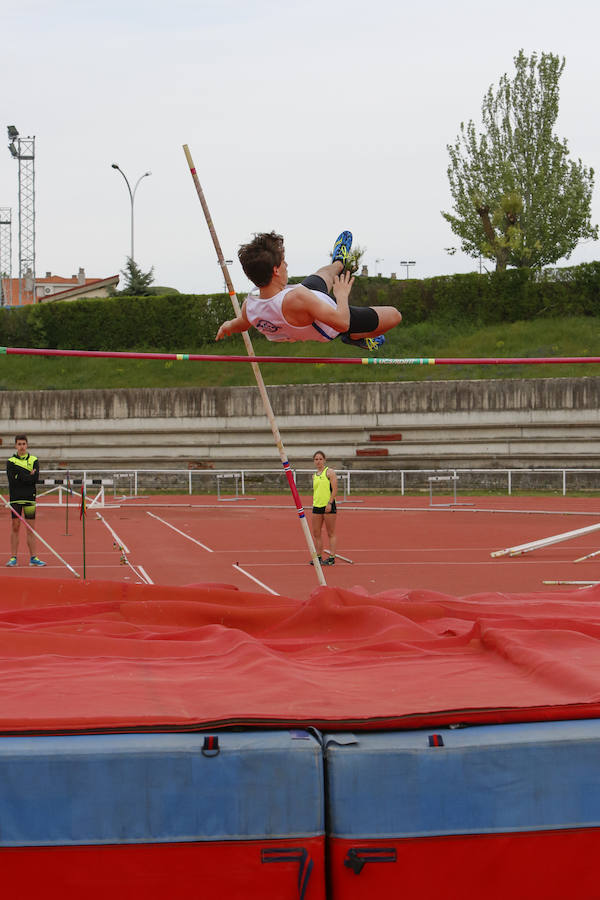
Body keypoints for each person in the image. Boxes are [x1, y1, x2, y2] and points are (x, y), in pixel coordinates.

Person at [215, 230, 402, 351]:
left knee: (325, 273)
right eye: (283, 261)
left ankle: (339, 261)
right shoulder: (298, 298)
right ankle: (355, 337)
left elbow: (240, 324)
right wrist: (342, 295)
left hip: (307, 300)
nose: (287, 264)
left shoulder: (250, 306)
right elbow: (342, 322)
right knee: (394, 316)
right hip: (332, 320)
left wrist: (227, 326)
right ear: (276, 270)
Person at [6, 434, 46, 567]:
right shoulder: (11, 461)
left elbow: (34, 480)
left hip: (29, 497)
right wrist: (27, 475)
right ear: (15, 445)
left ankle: (33, 558)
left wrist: (21, 476)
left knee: (30, 528)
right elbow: (12, 480)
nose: (22, 447)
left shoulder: (34, 460)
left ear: (27, 445)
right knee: (15, 526)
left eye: (24, 444)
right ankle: (13, 558)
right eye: (19, 444)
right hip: (16, 498)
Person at [310, 450, 338, 567]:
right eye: (316, 459)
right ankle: (319, 557)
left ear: (324, 460)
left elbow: (335, 489)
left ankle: (331, 557)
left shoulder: (329, 472)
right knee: (316, 533)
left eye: (320, 459)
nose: (318, 461)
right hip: (317, 506)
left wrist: (329, 503)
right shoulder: (314, 475)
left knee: (330, 533)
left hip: (328, 506)